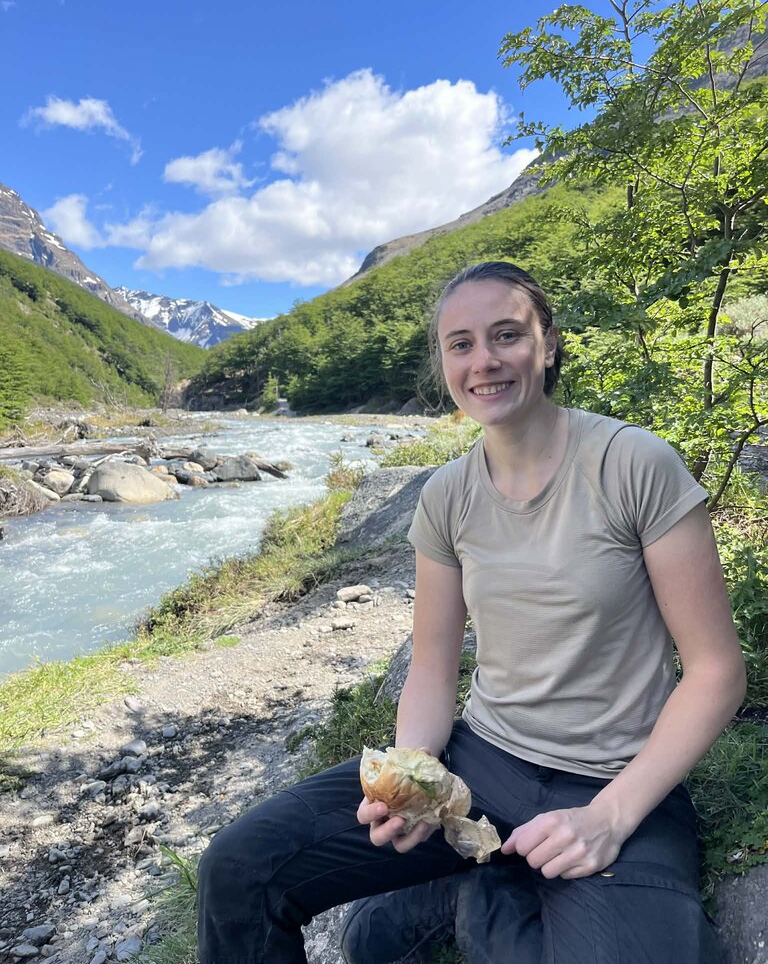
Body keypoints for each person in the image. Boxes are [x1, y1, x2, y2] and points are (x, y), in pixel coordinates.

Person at [197, 261, 746, 964]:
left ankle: (480, 889)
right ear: (444, 363)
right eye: (461, 344)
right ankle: (484, 875)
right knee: (239, 870)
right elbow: (431, 664)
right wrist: (415, 775)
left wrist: (610, 816)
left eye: (506, 334)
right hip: (480, 765)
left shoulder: (633, 464)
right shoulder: (447, 496)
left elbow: (716, 671)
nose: (484, 360)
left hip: (617, 778)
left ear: (548, 342)